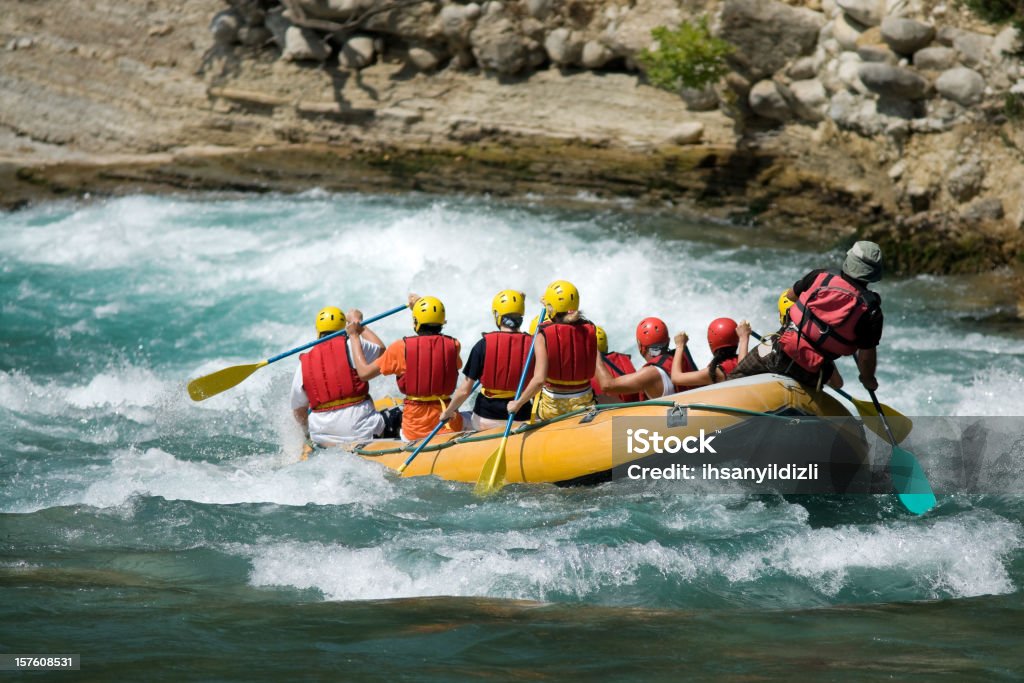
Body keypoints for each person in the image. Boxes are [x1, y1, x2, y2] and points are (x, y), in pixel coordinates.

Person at [730, 241, 885, 391]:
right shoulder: (871, 311)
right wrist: (868, 380)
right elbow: (866, 358)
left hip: (779, 351)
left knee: (736, 378)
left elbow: (790, 296)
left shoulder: (821, 276)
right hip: (815, 373)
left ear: (849, 261)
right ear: (873, 274)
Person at [349, 294, 464, 440]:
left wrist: (354, 335)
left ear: (415, 322)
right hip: (450, 424)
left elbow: (364, 373)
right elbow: (431, 350)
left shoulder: (400, 348)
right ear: (443, 322)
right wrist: (419, 307)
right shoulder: (454, 345)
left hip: (415, 431)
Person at [291, 306, 396, 446]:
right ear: (344, 328)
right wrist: (359, 326)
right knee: (399, 414)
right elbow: (382, 351)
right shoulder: (354, 345)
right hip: (363, 432)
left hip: (323, 438)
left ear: (317, 331)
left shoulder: (303, 364)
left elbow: (299, 412)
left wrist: (306, 435)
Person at [439, 290, 534, 430]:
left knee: (463, 419)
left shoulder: (482, 345)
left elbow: (465, 391)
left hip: (485, 419)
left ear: (497, 315)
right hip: (521, 418)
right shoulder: (533, 344)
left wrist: (448, 412)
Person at [506, 280, 598, 420]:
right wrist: (549, 303)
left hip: (553, 409)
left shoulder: (542, 335)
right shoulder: (590, 328)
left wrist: (517, 404)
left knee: (535, 396)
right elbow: (567, 325)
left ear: (551, 309)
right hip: (585, 403)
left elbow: (539, 380)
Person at [593, 316, 697, 400]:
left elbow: (607, 386)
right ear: (668, 341)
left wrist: (594, 350)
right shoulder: (678, 359)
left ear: (640, 347)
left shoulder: (649, 374)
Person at [670, 318, 751, 387]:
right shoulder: (745, 360)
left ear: (711, 343)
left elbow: (676, 378)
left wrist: (680, 346)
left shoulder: (715, 372)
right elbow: (743, 367)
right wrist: (744, 337)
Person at [590, 325, 643, 404]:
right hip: (638, 410)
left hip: (608, 414)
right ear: (606, 347)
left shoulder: (584, 371)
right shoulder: (623, 360)